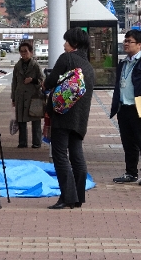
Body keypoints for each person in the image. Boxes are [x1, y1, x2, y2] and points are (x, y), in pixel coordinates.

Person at [42, 28, 95, 209]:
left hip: (62, 115)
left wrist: (46, 83)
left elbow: (51, 82)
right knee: (77, 155)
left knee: (59, 155)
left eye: (67, 41)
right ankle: (78, 197)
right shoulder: (88, 66)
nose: (64, 45)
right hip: (80, 119)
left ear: (75, 44)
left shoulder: (67, 59)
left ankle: (66, 197)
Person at [110, 29, 141, 186]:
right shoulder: (123, 62)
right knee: (128, 143)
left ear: (139, 44)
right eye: (125, 41)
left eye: (129, 41)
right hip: (124, 107)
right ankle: (130, 172)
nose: (125, 44)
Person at [11, 42, 44, 149]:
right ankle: (22, 142)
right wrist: (13, 98)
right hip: (20, 96)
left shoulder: (35, 66)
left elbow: (43, 80)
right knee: (21, 120)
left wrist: (33, 80)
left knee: (35, 120)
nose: (23, 53)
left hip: (34, 96)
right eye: (21, 51)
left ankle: (37, 142)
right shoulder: (17, 66)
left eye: (26, 51)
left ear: (31, 52)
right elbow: (14, 83)